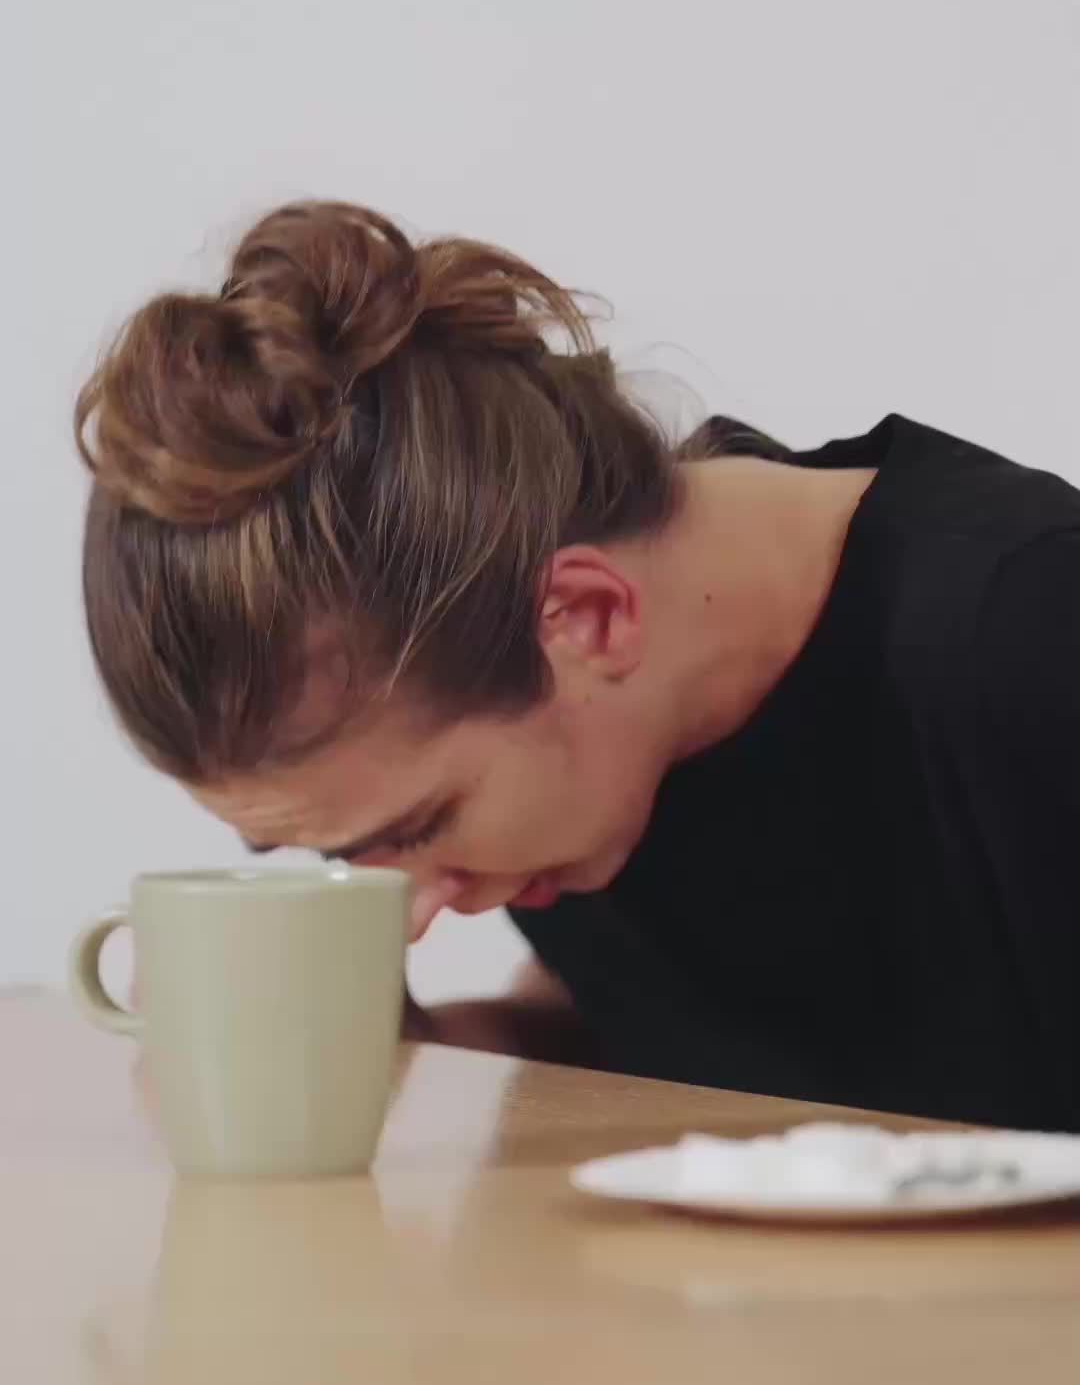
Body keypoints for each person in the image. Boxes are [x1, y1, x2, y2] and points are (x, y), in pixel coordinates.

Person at [76, 200, 1080, 1131]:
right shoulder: (604, 754)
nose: (410, 916)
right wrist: (402, 1044)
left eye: (419, 829)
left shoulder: (1029, 637)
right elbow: (681, 1037)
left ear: (587, 619)